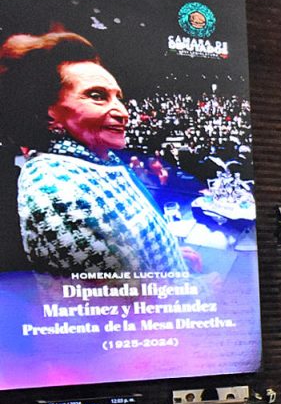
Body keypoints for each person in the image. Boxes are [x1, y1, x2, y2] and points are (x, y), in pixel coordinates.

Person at [0, 30, 191, 275]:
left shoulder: (96, 158)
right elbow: (127, 300)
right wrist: (207, 288)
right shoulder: (55, 190)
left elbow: (125, 250)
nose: (122, 112)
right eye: (97, 96)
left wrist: (169, 254)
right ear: (48, 112)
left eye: (118, 98)